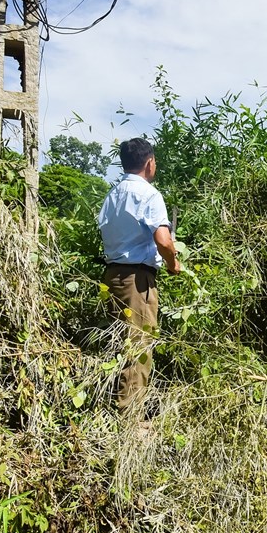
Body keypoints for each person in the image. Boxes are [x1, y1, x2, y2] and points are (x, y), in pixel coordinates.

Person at [98, 138, 181, 410]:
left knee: (117, 346)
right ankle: (128, 420)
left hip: (112, 278)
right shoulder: (149, 195)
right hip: (137, 281)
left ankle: (110, 411)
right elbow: (164, 240)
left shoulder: (111, 196)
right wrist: (173, 263)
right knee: (138, 349)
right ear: (149, 163)